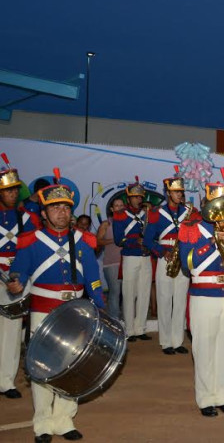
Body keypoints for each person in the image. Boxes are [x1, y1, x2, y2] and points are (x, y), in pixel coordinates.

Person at [7, 172, 105, 441]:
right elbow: (19, 274)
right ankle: (43, 423)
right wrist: (15, 285)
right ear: (44, 212)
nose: (61, 213)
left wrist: (101, 309)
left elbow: (93, 280)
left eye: (65, 207)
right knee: (42, 369)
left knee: (72, 365)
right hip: (43, 310)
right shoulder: (30, 241)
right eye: (55, 208)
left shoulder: (84, 240)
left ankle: (64, 419)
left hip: (76, 311)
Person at [177, 181, 224, 417]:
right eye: (217, 203)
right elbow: (187, 265)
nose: (222, 209)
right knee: (204, 348)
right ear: (206, 204)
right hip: (203, 295)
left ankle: (223, 396)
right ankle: (205, 398)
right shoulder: (190, 227)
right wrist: (211, 244)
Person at [144, 172, 194, 355]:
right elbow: (148, 240)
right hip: (165, 257)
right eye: (176, 192)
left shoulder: (188, 213)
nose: (180, 194)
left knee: (180, 300)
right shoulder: (157, 213)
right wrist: (162, 251)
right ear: (167, 193)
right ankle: (166, 342)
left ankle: (178, 340)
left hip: (182, 258)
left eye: (181, 191)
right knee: (165, 300)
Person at [0, 159, 37, 400]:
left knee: (12, 333)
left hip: (14, 278)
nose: (13, 194)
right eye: (8, 190)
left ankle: (6, 381)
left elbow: (32, 251)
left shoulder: (28, 219)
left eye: (15, 190)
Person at [112, 177, 153, 342]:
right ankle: (129, 329)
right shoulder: (120, 215)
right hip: (130, 256)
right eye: (135, 197)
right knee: (129, 294)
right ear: (128, 198)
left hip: (146, 256)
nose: (139, 199)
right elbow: (118, 239)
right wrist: (135, 241)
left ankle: (140, 328)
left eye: (140, 197)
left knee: (144, 293)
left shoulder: (148, 214)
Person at [96, 198, 125, 320]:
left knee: (127, 294)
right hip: (112, 263)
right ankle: (114, 320)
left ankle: (126, 320)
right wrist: (115, 240)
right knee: (115, 292)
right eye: (116, 205)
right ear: (112, 209)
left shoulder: (128, 223)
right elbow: (98, 241)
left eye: (121, 205)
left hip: (127, 262)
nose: (119, 207)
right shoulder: (106, 224)